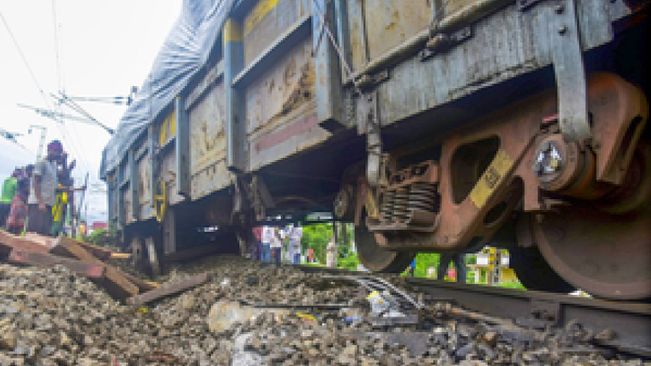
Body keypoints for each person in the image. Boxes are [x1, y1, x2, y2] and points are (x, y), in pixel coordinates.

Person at [27, 140, 63, 236]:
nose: (58, 155)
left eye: (59, 152)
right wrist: (40, 202)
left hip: (48, 204)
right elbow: (36, 182)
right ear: (50, 150)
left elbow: (53, 187)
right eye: (57, 152)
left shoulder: (53, 166)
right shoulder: (41, 163)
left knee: (44, 234)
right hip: (38, 204)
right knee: (34, 233)